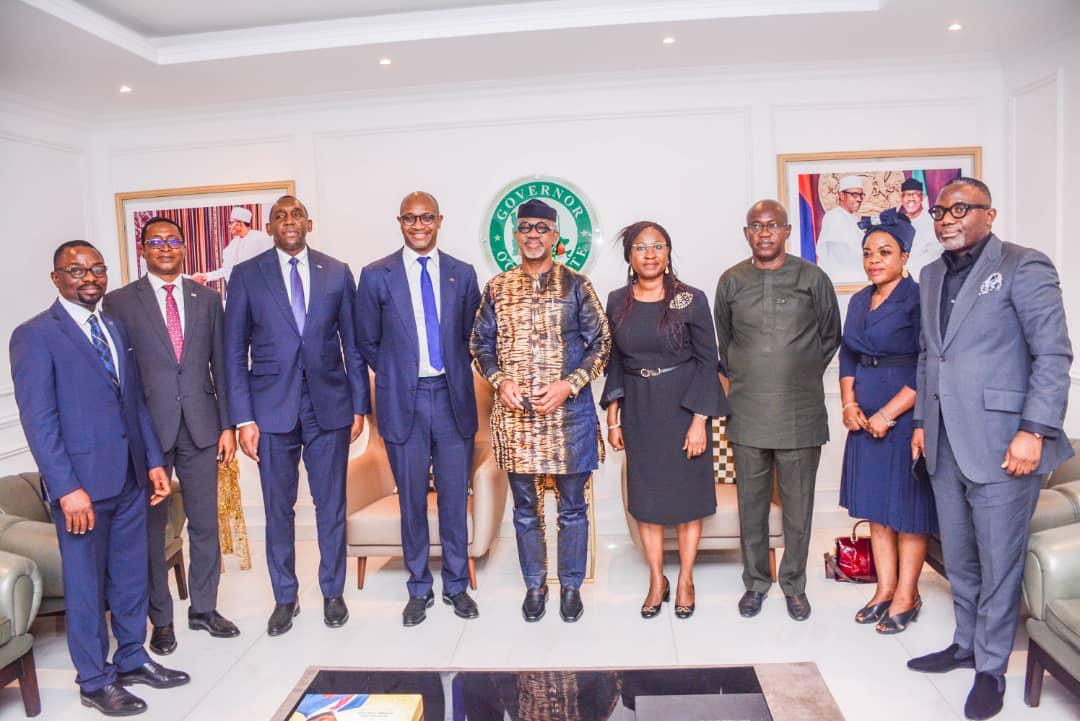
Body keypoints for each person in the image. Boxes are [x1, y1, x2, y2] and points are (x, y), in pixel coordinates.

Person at [908, 178, 1073, 721]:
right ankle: (965, 645)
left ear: (989, 214)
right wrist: (920, 421)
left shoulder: (1025, 265)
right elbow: (929, 356)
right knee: (959, 556)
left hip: (1005, 444)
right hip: (944, 441)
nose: (947, 219)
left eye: (960, 209)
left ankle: (992, 668)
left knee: (1000, 562)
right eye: (940, 211)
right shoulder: (930, 275)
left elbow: (1052, 355)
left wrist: (1034, 431)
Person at [10, 241, 189, 716]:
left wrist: (153, 462)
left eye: (97, 269)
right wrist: (67, 489)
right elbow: (39, 421)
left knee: (130, 576)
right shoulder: (35, 335)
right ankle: (93, 680)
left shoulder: (114, 327)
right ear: (56, 278)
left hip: (130, 479)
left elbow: (134, 404)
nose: (89, 278)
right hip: (81, 490)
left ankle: (131, 657)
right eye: (76, 270)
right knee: (87, 587)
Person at [224, 195, 370, 635]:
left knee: (331, 505)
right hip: (270, 410)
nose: (289, 221)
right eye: (279, 216)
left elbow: (353, 345)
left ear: (309, 222)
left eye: (296, 214)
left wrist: (359, 405)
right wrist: (243, 418)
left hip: (329, 406)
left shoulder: (337, 272)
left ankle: (332, 592)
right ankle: (284, 598)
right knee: (278, 508)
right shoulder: (247, 275)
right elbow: (234, 353)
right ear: (269, 227)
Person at [103, 217, 240, 656]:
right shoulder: (120, 302)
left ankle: (204, 608)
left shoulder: (207, 299)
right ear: (143, 249)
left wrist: (227, 426)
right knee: (151, 531)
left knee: (204, 524)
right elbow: (116, 374)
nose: (165, 247)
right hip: (148, 433)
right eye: (156, 241)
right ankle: (160, 621)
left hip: (202, 426)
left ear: (183, 247)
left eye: (173, 240)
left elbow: (222, 365)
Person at [470, 198, 611, 624]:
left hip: (569, 419)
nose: (533, 235)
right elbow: (479, 344)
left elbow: (602, 343)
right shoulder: (497, 287)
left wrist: (569, 384)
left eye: (542, 228)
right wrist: (500, 381)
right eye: (526, 227)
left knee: (572, 508)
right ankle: (535, 586)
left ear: (555, 235)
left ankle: (570, 587)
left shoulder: (577, 285)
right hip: (517, 421)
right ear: (516, 235)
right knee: (526, 509)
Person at [355, 191, 482, 626]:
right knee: (410, 500)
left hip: (451, 398)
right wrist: (398, 373)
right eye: (410, 218)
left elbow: (471, 337)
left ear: (439, 220)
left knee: (453, 498)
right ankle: (418, 588)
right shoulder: (376, 275)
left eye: (426, 217)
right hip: (401, 400)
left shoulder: (462, 274)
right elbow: (366, 340)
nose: (418, 225)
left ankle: (456, 586)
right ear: (400, 222)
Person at [714, 199, 841, 621]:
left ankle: (794, 584)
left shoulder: (812, 278)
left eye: (772, 225)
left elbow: (830, 336)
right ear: (746, 233)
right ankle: (756, 583)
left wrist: (796, 370)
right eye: (756, 225)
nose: (764, 232)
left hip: (800, 413)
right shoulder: (731, 281)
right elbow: (725, 344)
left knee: (798, 507)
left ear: (787, 231)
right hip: (748, 411)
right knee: (751, 506)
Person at [601, 221, 729, 619]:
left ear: (668, 252)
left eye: (658, 246)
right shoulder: (617, 300)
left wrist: (699, 420)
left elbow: (708, 362)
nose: (650, 254)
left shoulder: (690, 299)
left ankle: (686, 578)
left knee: (688, 501)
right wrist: (613, 417)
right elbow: (615, 361)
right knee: (647, 502)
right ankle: (657, 579)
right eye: (641, 247)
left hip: (684, 408)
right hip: (640, 410)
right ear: (630, 256)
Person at [837, 209, 938, 635]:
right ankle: (884, 589)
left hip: (906, 415)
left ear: (905, 256)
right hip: (863, 417)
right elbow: (848, 354)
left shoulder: (918, 298)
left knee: (908, 512)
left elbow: (928, 364)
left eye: (884, 252)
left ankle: (907, 595)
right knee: (877, 510)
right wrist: (848, 403)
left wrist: (887, 413)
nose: (874, 259)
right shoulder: (859, 300)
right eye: (868, 253)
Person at [192, 206, 273, 286]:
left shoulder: (261, 238)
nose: (229, 226)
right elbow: (227, 270)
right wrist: (205, 276)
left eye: (231, 222)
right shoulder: (233, 244)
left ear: (240, 224)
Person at [816, 175, 867, 282]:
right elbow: (842, 254)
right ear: (841, 195)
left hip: (857, 279)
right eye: (854, 195)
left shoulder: (854, 219)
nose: (859, 199)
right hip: (841, 281)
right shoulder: (834, 217)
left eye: (861, 195)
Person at [898, 177, 940, 279]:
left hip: (922, 279)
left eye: (915, 194)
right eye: (907, 195)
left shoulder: (932, 223)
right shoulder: (898, 222)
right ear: (902, 199)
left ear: (922, 197)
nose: (911, 199)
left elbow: (935, 257)